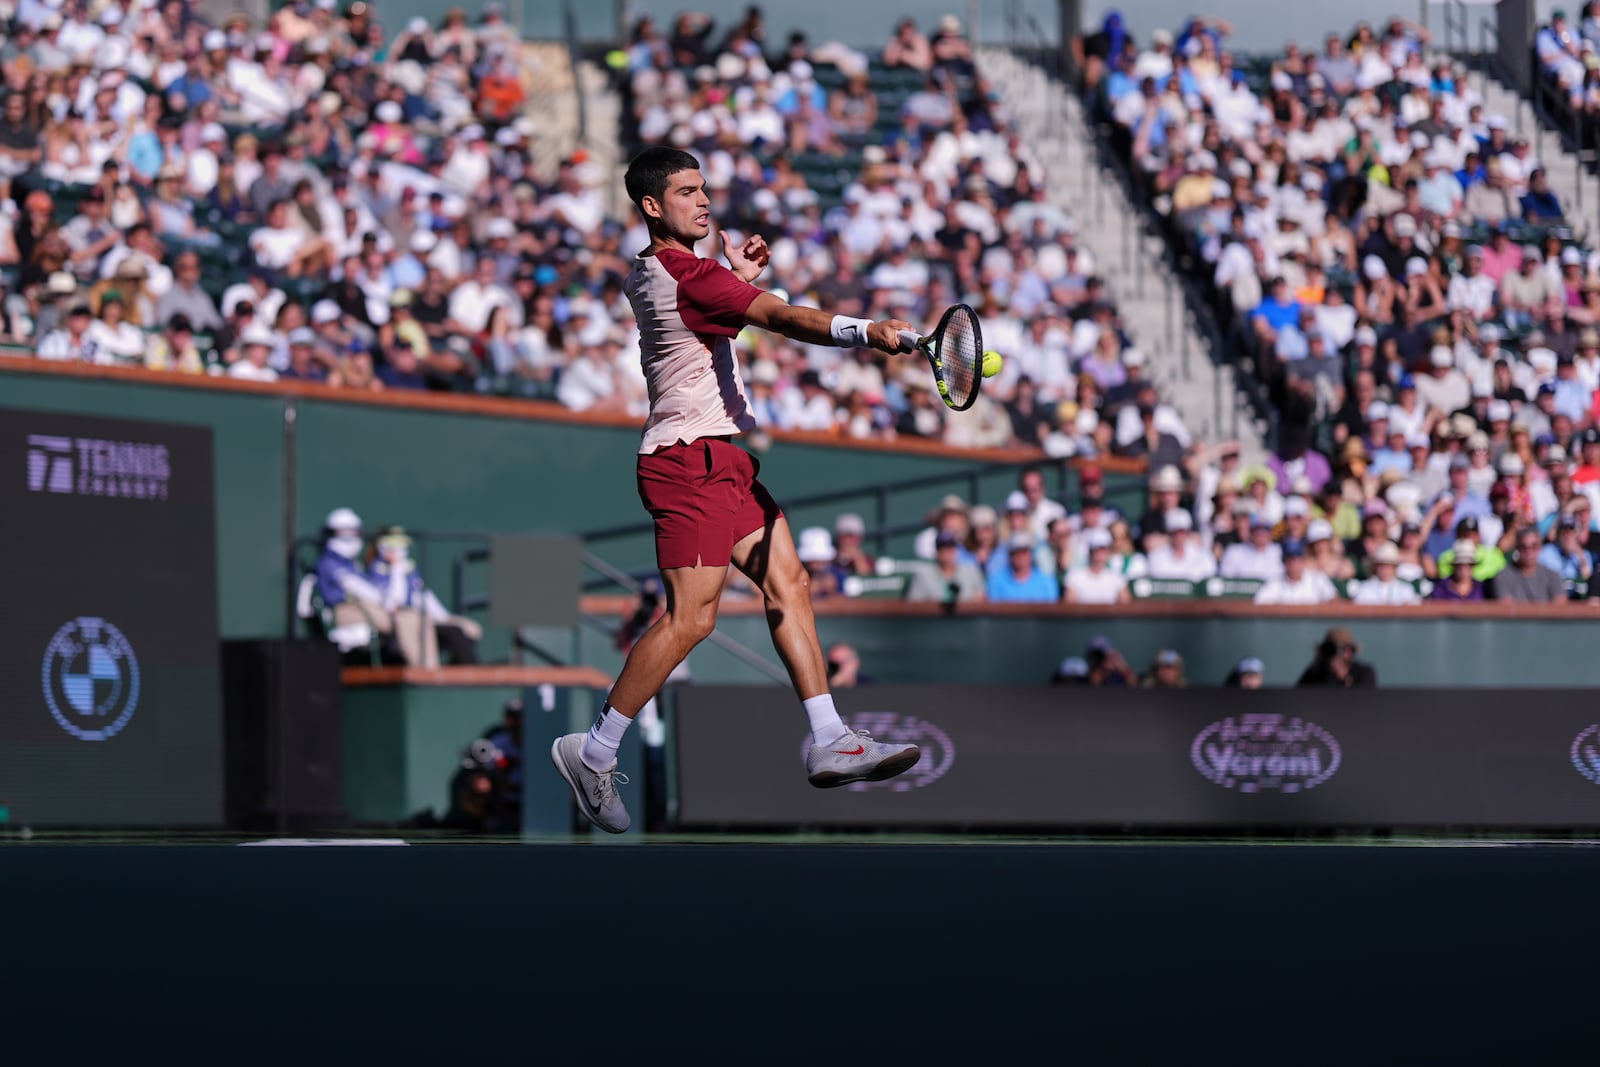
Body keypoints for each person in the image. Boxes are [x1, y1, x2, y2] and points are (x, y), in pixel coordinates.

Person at [550, 147, 922, 834]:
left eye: (704, 188)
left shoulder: (676, 271)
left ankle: (831, 736)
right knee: (693, 618)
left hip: (723, 458)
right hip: (686, 463)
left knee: (791, 581)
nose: (704, 200)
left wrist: (733, 274)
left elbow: (713, 308)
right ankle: (593, 749)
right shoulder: (686, 273)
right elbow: (779, 318)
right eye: (687, 192)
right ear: (653, 207)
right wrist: (867, 331)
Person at [1295, 627, 1378, 688]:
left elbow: (1367, 700)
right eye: (1330, 650)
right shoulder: (1315, 673)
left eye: (1343, 649)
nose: (1336, 655)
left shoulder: (1364, 673)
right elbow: (1300, 695)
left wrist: (1345, 679)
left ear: (1350, 651)